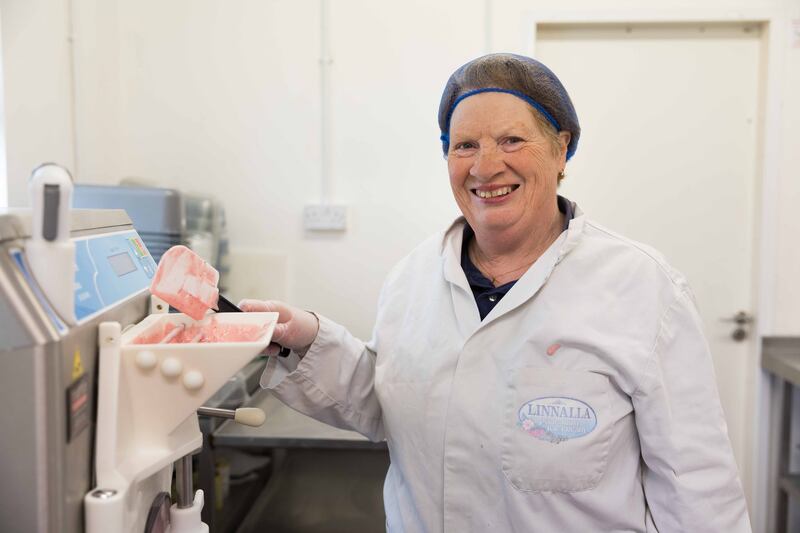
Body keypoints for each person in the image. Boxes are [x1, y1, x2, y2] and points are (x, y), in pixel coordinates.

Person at [240, 53, 751, 532]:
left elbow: (698, 488)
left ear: (561, 150)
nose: (485, 167)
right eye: (464, 145)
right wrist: (307, 340)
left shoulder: (643, 288)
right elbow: (392, 404)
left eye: (511, 140)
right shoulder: (412, 278)